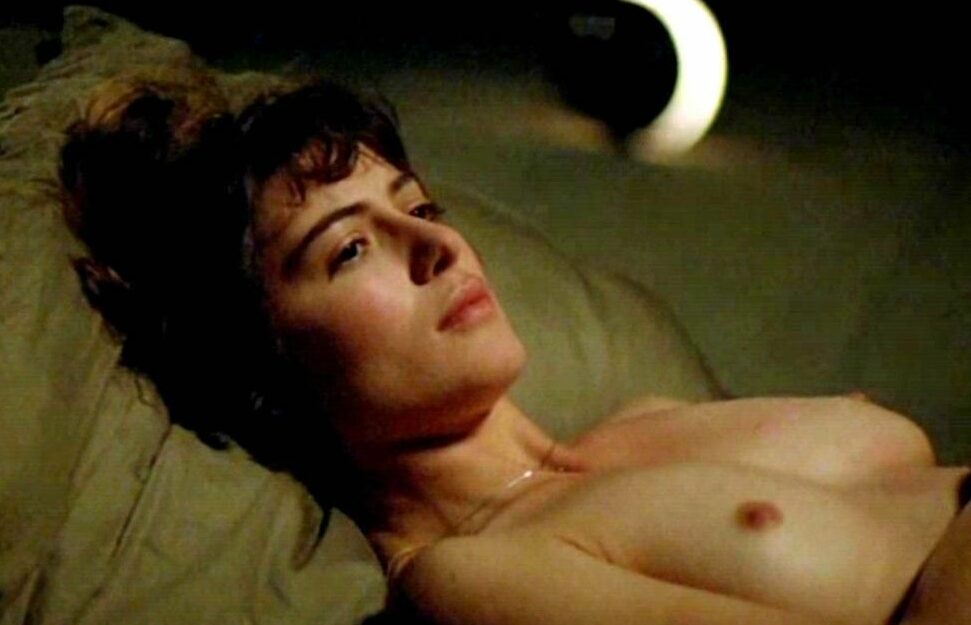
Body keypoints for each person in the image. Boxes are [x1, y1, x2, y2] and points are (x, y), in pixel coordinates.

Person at [60, 76, 971, 625]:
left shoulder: (643, 421)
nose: (438, 244)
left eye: (420, 207)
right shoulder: (471, 573)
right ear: (267, 365)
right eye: (350, 249)